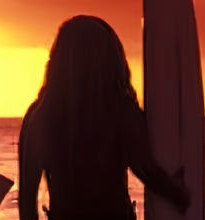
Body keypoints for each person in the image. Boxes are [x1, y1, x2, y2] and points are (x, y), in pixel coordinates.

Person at [18, 15, 189, 219]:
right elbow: (146, 170)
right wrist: (179, 192)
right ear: (109, 59)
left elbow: (27, 201)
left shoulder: (39, 117)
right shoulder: (120, 111)